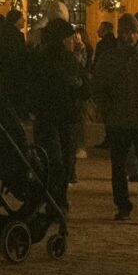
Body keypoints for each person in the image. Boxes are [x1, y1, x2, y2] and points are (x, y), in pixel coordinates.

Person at [88, 12, 138, 220]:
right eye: (125, 32)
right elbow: (97, 86)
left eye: (132, 32)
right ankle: (123, 205)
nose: (129, 36)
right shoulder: (109, 59)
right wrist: (106, 107)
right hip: (118, 119)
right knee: (119, 165)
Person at [30, 19, 87, 206]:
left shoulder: (39, 58)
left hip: (45, 116)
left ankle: (49, 199)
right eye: (70, 38)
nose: (73, 42)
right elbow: (84, 87)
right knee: (64, 161)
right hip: (66, 116)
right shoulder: (67, 60)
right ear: (63, 39)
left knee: (49, 160)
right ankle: (58, 200)